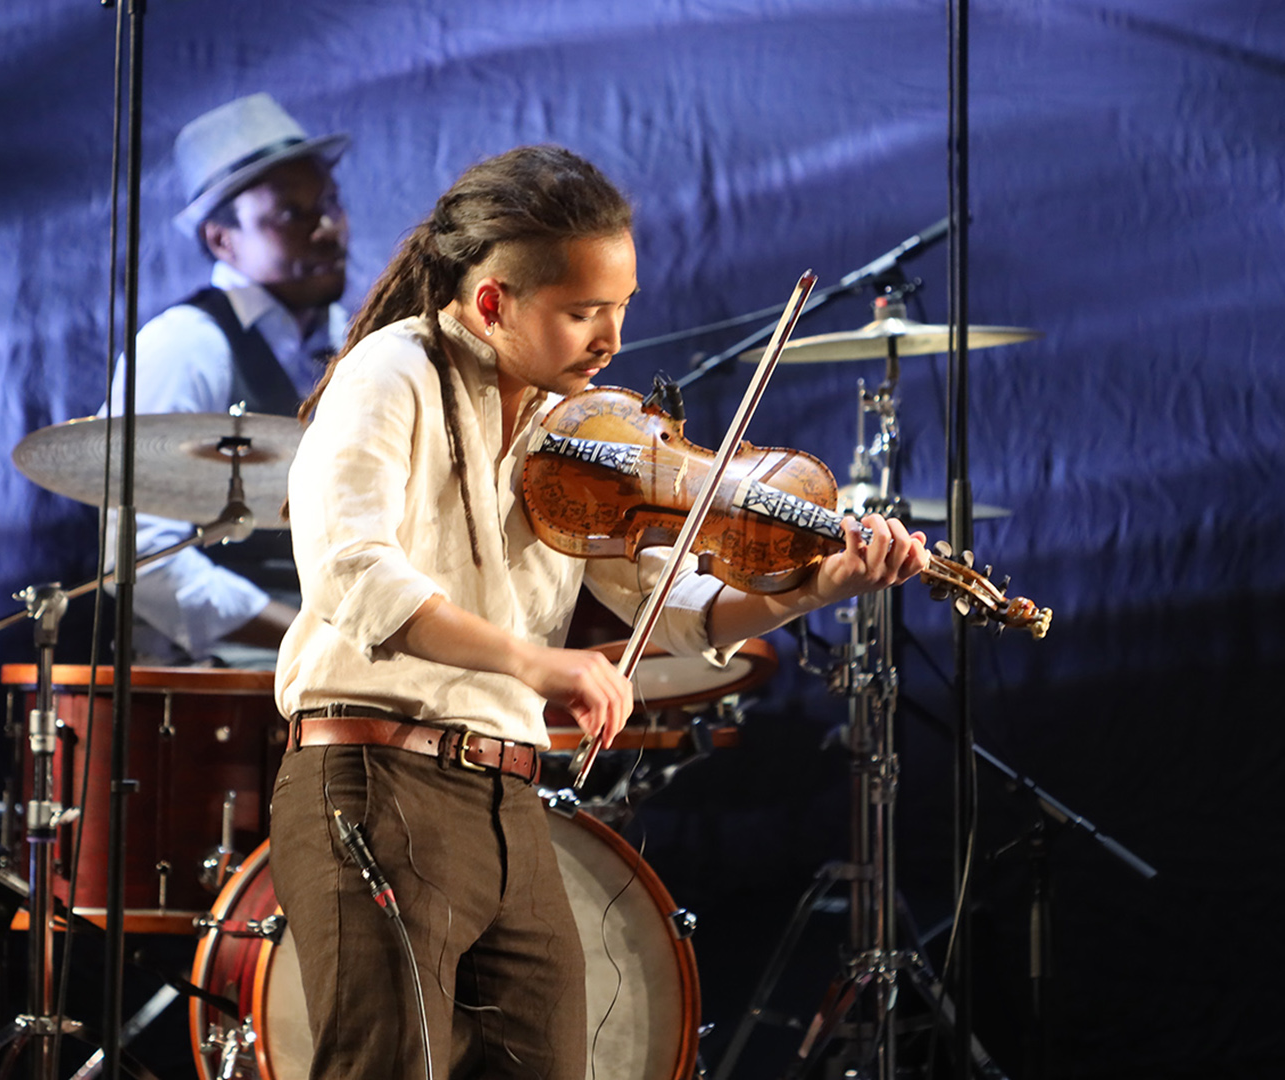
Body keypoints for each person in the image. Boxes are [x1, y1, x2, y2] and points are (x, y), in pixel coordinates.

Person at [267, 145, 930, 1079]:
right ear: (492, 301)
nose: (612, 339)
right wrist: (539, 664)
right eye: (583, 312)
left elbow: (686, 612)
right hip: (376, 777)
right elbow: (354, 574)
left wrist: (819, 588)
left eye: (621, 307)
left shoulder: (568, 431)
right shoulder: (394, 370)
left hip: (505, 794)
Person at [105, 92, 351, 666]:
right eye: (292, 214)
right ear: (222, 239)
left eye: (331, 203)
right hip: (226, 679)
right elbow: (145, 556)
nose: (328, 229)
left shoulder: (361, 343)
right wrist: (307, 640)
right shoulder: (182, 346)